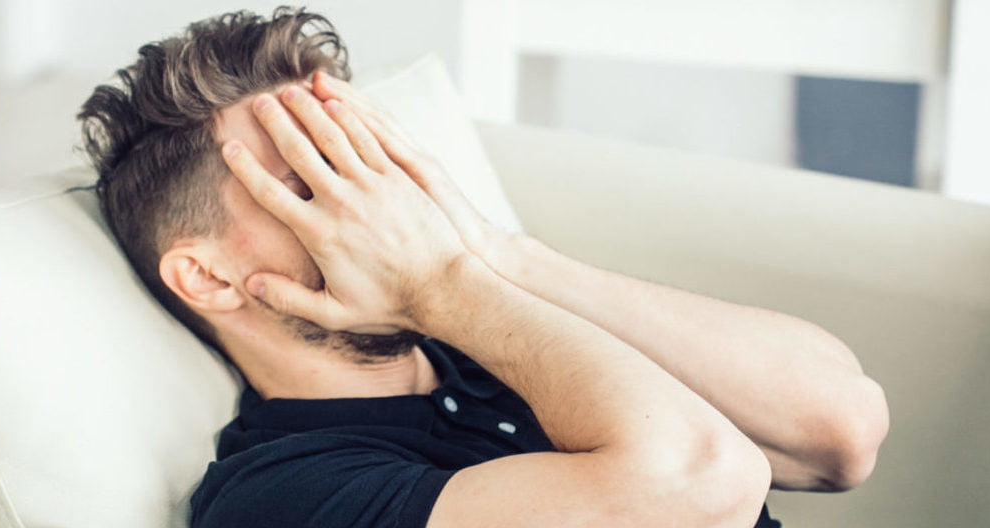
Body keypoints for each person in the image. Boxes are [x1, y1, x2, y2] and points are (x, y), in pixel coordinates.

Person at [77, 7, 889, 528]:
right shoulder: (283, 493)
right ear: (210, 277)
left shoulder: (487, 331)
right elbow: (706, 487)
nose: (384, 199)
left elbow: (840, 432)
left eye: (371, 157)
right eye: (316, 179)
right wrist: (441, 282)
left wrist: (497, 253)